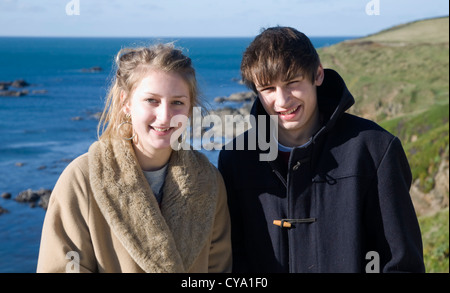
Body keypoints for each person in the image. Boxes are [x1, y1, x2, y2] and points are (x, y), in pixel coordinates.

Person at [218, 27, 425, 273]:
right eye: (268, 89)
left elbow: (402, 264)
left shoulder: (376, 149)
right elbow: (230, 261)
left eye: (293, 82)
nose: (282, 101)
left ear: (317, 75)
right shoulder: (235, 159)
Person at [37, 43, 232, 273]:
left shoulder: (208, 182)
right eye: (152, 100)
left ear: (189, 109)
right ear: (126, 103)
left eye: (177, 102)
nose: (165, 116)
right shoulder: (82, 179)